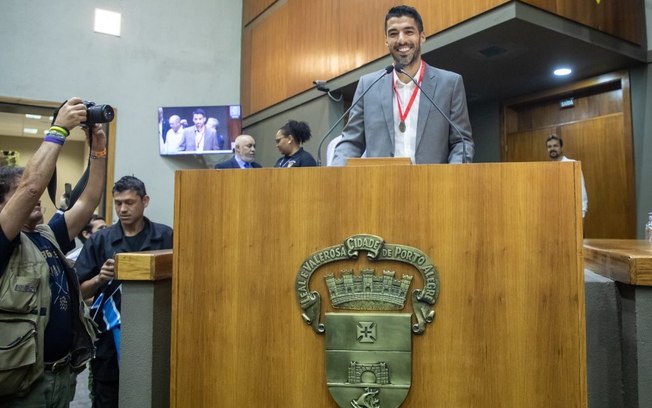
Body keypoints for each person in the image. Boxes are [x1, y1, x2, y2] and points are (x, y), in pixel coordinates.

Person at [0, 97, 106, 406]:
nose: (36, 196)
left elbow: (88, 201)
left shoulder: (47, 234)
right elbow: (32, 186)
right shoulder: (5, 239)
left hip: (62, 377)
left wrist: (98, 148)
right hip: (23, 384)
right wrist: (59, 128)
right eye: (19, 193)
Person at [332, 5, 474, 166]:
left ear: (422, 37)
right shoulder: (368, 85)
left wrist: (450, 179)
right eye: (393, 33)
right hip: (380, 186)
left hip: (432, 187)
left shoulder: (450, 84)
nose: (401, 40)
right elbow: (351, 142)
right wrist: (336, 174)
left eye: (409, 32)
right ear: (386, 40)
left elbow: (461, 143)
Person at [75, 175, 173, 408]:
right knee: (106, 395)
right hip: (108, 336)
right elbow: (78, 290)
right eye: (118, 203)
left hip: (154, 332)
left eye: (129, 202)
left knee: (151, 393)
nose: (122, 209)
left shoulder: (166, 237)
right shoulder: (100, 241)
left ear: (145, 201)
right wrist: (100, 277)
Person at [546, 134, 588, 218]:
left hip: (570, 214)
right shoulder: (546, 169)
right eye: (549, 146)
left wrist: (582, 214)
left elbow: (581, 191)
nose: (552, 149)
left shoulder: (572, 164)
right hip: (552, 215)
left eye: (555, 146)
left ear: (561, 148)